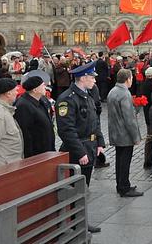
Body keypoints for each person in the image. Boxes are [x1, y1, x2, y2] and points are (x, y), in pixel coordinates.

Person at [55, 62, 105, 233]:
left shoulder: (87, 95)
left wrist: (100, 142)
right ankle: (75, 223)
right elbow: (66, 130)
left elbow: (95, 121)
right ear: (83, 78)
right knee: (76, 189)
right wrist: (80, 151)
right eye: (92, 77)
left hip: (90, 147)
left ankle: (81, 221)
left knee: (84, 188)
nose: (94, 81)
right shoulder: (67, 99)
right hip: (78, 151)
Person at [107, 69, 143, 197]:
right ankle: (124, 187)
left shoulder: (113, 91)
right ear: (127, 79)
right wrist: (136, 137)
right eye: (131, 78)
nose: (132, 80)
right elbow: (129, 119)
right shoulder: (124, 93)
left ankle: (121, 184)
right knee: (125, 161)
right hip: (125, 133)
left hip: (116, 131)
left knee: (119, 160)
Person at [14, 76, 55, 158]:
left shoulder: (42, 99)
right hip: (36, 152)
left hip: (47, 147)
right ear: (35, 90)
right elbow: (25, 132)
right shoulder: (23, 105)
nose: (45, 87)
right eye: (43, 85)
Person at [0, 78, 23, 166]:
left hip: (10, 164)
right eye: (15, 90)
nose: (17, 93)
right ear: (8, 93)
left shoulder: (5, 110)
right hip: (4, 166)